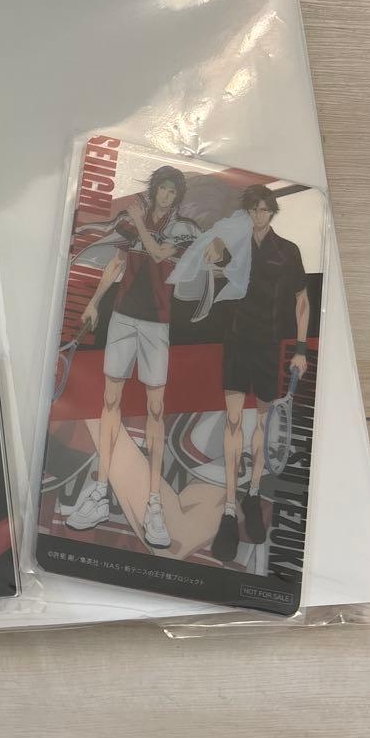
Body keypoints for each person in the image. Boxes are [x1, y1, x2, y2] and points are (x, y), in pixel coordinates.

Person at [66, 166, 189, 550]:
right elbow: (117, 264)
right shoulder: (132, 221)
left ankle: (153, 505)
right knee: (110, 402)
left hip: (157, 325)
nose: (166, 196)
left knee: (156, 409)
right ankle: (100, 492)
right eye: (162, 189)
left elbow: (159, 252)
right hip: (122, 318)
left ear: (177, 197)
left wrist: (137, 222)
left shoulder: (182, 229)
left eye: (172, 192)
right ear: (154, 190)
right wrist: (93, 302)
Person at [207, 185, 309, 561]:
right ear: (246, 212)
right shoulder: (233, 245)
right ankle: (228, 509)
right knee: (234, 421)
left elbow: (301, 299)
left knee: (263, 423)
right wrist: (215, 246)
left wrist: (301, 349)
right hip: (236, 342)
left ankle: (252, 493)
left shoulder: (288, 251)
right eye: (253, 209)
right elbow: (210, 260)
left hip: (268, 345)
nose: (259, 215)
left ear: (272, 212)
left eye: (264, 209)